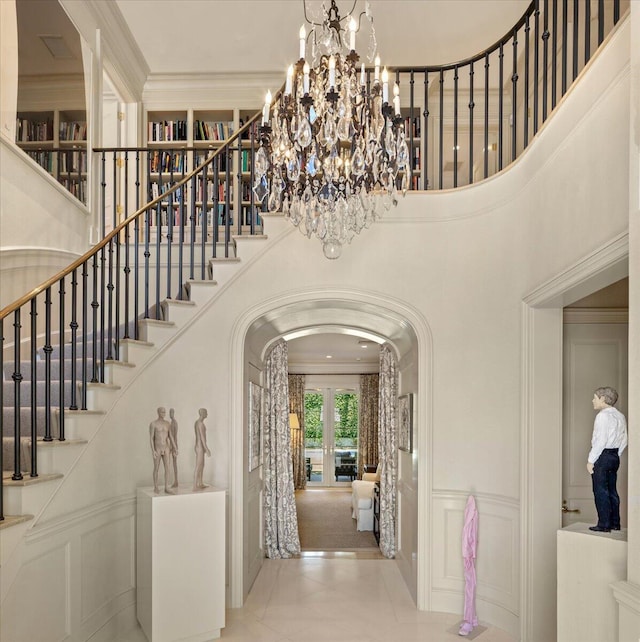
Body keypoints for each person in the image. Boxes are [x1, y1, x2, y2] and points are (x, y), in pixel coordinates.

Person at [586, 387, 627, 532]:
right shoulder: (620, 416)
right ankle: (615, 523)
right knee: (612, 490)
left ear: (603, 399)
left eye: (595, 397)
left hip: (602, 456)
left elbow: (600, 440)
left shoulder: (602, 416)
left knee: (600, 490)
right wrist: (616, 454)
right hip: (614, 456)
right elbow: (624, 440)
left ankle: (604, 524)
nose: (593, 400)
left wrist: (591, 460)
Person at [150, 407, 178, 494]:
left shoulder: (167, 424)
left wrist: (175, 447)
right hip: (158, 447)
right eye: (162, 412)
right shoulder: (153, 424)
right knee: (156, 468)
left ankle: (166, 487)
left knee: (167, 468)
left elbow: (171, 437)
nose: (164, 413)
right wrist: (153, 450)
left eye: (164, 412)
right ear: (158, 412)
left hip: (166, 447)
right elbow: (151, 438)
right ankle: (156, 486)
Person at [193, 408, 211, 491]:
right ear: (202, 413)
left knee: (202, 465)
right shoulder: (200, 424)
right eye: (206, 412)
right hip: (200, 446)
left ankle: (200, 483)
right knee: (198, 465)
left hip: (199, 446)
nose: (207, 414)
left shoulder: (198, 423)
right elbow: (202, 438)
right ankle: (194, 485)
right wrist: (206, 448)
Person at [169, 408, 179, 488]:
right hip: (172, 445)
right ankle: (175, 481)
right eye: (170, 413)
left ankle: (176, 481)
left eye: (171, 412)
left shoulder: (174, 423)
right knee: (173, 463)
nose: (170, 414)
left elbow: (175, 436)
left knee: (174, 463)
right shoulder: (171, 423)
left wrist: (174, 447)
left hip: (174, 445)